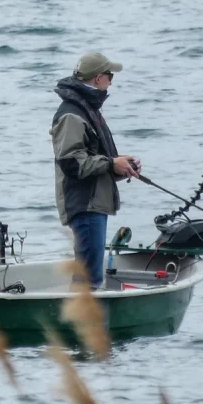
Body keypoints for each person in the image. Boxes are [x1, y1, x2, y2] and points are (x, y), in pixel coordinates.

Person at [50, 52, 142, 290]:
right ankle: (81, 324)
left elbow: (94, 158)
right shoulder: (72, 113)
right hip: (85, 205)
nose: (112, 82)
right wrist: (112, 164)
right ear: (99, 78)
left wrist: (122, 166)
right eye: (110, 77)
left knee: (88, 276)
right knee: (89, 279)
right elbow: (71, 162)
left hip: (92, 204)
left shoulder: (86, 109)